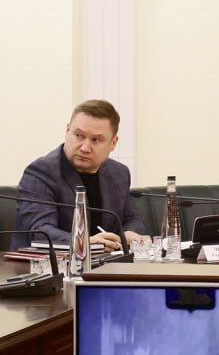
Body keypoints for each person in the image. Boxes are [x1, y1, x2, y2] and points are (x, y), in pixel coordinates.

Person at [13, 100, 148, 251]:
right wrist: (84, 242)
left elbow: (133, 218)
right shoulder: (41, 172)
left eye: (96, 140)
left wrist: (128, 233)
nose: (84, 148)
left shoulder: (118, 173)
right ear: (67, 130)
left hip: (104, 263)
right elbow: (40, 231)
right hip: (46, 263)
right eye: (79, 135)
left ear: (113, 143)